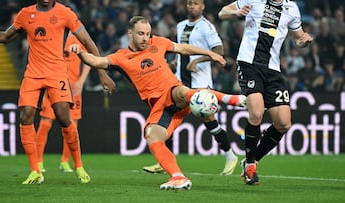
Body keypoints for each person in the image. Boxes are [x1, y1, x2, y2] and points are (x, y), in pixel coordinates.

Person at [69, 15, 246, 190]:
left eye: (148, 33)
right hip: (162, 108)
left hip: (173, 93)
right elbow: (96, 61)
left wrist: (208, 53)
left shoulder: (158, 43)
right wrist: (81, 52)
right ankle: (178, 177)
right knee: (152, 136)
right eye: (141, 34)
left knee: (181, 91)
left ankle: (233, 99)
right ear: (130, 33)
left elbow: (183, 48)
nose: (146, 38)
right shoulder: (120, 57)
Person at [0, 0, 115, 184]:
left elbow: (88, 42)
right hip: (33, 73)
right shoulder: (25, 14)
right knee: (26, 116)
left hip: (57, 73)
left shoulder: (66, 13)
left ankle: (78, 165)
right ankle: (35, 171)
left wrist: (102, 73)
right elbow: (5, 37)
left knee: (63, 117)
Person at [218, 0, 313, 185]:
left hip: (273, 69)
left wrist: (303, 41)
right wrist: (236, 13)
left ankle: (251, 160)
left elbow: (298, 37)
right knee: (256, 112)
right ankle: (250, 167)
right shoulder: (253, 0)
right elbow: (222, 12)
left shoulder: (291, 8)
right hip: (249, 63)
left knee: (284, 123)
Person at [142, 0, 238, 176]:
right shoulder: (180, 26)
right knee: (168, 117)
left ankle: (230, 156)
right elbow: (181, 51)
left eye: (196, 3)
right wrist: (175, 63)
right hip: (180, 82)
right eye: (189, 3)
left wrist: (198, 60)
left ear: (202, 7)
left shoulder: (207, 27)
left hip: (200, 82)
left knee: (210, 122)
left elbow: (219, 50)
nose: (192, 6)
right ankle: (164, 161)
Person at [36, 33, 91, 173]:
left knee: (72, 124)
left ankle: (65, 161)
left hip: (73, 88)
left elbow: (89, 59)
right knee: (46, 122)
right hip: (53, 84)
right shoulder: (51, 36)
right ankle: (38, 161)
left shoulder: (78, 38)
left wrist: (81, 81)